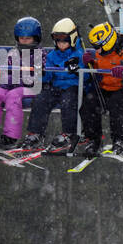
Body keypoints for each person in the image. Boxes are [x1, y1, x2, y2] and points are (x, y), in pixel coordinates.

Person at [78, 22, 123, 157]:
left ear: (107, 42)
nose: (96, 50)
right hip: (108, 86)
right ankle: (93, 140)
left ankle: (119, 141)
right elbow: (103, 66)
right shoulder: (102, 52)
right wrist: (92, 63)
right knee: (89, 102)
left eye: (97, 47)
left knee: (118, 102)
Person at [24, 18, 84, 154]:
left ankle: (69, 134)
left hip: (72, 87)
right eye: (58, 40)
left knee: (68, 101)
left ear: (72, 38)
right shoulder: (52, 56)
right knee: (41, 99)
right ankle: (36, 133)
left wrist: (78, 68)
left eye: (64, 40)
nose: (61, 44)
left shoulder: (80, 54)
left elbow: (86, 77)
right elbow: (48, 77)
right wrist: (42, 73)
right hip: (56, 87)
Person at [0, 17, 40, 150]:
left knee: (13, 96)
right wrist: (6, 80)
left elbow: (36, 77)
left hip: (31, 89)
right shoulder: (13, 53)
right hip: (12, 86)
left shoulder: (39, 54)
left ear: (36, 38)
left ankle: (10, 137)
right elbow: (6, 72)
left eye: (28, 38)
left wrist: (17, 80)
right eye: (21, 38)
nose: (24, 41)